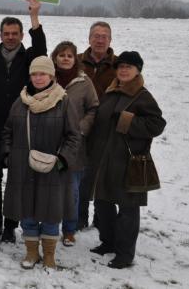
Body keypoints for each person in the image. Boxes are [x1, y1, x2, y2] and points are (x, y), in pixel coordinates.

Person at [0, 0, 47, 242]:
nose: (10, 37)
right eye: (6, 33)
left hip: (21, 128)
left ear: (21, 35)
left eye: (14, 33)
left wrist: (34, 18)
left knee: (15, 182)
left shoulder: (29, 59)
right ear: (0, 34)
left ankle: (10, 226)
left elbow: (41, 51)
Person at [88, 51, 165, 269]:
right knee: (103, 203)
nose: (123, 70)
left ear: (138, 70)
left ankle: (124, 254)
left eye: (128, 67)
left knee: (128, 210)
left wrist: (127, 120)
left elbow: (157, 124)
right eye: (120, 66)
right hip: (104, 158)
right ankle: (108, 242)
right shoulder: (112, 92)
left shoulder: (142, 96)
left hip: (128, 161)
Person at [1, 56, 80, 269]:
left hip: (53, 168)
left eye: (42, 73)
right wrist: (8, 155)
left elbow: (73, 136)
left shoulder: (63, 101)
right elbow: (7, 131)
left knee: (50, 213)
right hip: (22, 167)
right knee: (27, 211)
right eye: (34, 74)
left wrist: (62, 159)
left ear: (51, 76)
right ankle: (31, 252)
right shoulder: (21, 101)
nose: (38, 78)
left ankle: (49, 255)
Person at [51, 41, 99, 246]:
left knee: (72, 190)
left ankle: (69, 229)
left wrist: (81, 127)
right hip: (50, 142)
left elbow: (93, 108)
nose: (65, 58)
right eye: (61, 55)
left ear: (75, 59)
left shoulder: (84, 82)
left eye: (69, 55)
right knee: (50, 188)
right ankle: (50, 225)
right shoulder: (46, 78)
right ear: (55, 57)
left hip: (75, 145)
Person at [77, 21, 117, 230]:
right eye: (96, 36)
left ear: (110, 40)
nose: (100, 40)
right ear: (89, 38)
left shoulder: (119, 65)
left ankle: (102, 220)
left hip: (107, 129)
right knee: (81, 175)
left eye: (104, 36)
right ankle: (79, 218)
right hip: (80, 127)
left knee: (103, 176)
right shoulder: (76, 61)